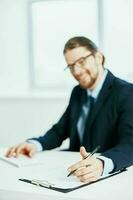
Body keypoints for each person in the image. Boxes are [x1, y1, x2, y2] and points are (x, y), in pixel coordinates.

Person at [6, 36, 133, 183]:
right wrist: (34, 144)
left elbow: (130, 145)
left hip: (105, 179)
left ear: (98, 57)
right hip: (74, 175)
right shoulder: (78, 92)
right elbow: (59, 131)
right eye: (71, 66)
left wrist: (102, 163)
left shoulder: (126, 92)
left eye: (81, 62)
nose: (76, 71)